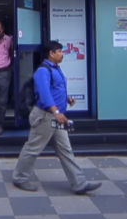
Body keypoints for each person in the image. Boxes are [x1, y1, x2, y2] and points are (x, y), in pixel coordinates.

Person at [12, 41, 101, 195]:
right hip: (45, 117)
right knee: (33, 148)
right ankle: (20, 178)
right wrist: (56, 112)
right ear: (51, 53)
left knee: (66, 150)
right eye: (59, 51)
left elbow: (56, 89)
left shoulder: (56, 69)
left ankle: (79, 183)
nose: (62, 54)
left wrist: (67, 98)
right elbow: (45, 94)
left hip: (55, 117)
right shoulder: (43, 71)